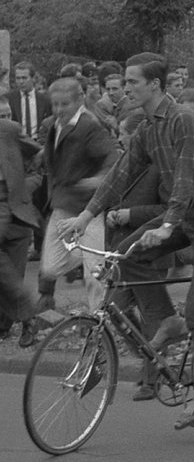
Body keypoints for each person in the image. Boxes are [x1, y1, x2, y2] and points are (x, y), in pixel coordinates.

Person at [57, 54, 194, 429]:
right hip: (185, 215)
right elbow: (121, 174)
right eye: (124, 82)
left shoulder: (183, 120)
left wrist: (168, 224)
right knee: (126, 256)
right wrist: (85, 216)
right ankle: (169, 323)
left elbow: (187, 180)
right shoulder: (148, 128)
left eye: (132, 82)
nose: (126, 88)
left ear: (154, 85)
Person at [35, 78, 119, 319]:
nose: (59, 110)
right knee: (49, 267)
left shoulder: (89, 126)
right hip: (62, 204)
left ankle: (99, 323)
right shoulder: (55, 125)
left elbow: (111, 158)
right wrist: (42, 154)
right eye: (55, 105)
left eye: (65, 104)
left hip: (88, 208)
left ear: (80, 100)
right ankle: (97, 258)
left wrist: (97, 179)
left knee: (93, 274)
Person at [0, 116, 42, 346]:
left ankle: (28, 320)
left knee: (12, 274)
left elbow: (41, 159)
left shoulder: (9, 130)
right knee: (7, 278)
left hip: (12, 209)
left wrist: (24, 188)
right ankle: (28, 316)